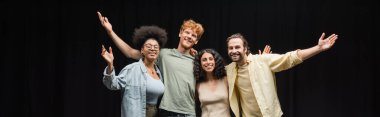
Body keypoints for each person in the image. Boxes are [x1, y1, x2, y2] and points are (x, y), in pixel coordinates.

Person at [97, 11, 204, 116]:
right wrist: (110, 32)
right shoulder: (163, 54)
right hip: (167, 111)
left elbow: (215, 72)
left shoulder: (198, 60)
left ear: (196, 41)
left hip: (189, 112)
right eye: (187, 32)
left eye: (194, 35)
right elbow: (130, 52)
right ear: (180, 33)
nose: (189, 36)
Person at [224, 33, 338, 117]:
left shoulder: (262, 60)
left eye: (237, 47)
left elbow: (290, 58)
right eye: (231, 48)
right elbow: (208, 68)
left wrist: (318, 48)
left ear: (245, 49)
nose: (234, 50)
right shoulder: (229, 70)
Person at [101, 26, 168, 117]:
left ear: (159, 51)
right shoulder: (132, 69)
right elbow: (112, 84)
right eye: (148, 46)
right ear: (142, 51)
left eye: (156, 47)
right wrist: (110, 64)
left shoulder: (159, 72)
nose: (153, 49)